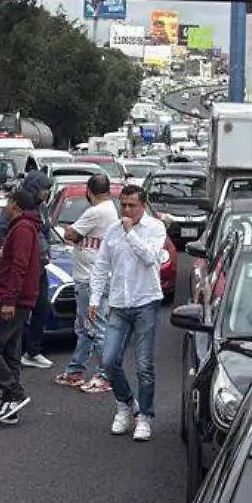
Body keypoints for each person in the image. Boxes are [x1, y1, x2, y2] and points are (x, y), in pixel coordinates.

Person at [88, 184, 167, 442]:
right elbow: (101, 266)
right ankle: (125, 404)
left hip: (146, 301)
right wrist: (94, 299)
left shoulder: (155, 228)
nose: (127, 210)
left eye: (132, 205)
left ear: (143, 206)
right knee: (109, 360)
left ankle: (145, 416)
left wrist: (130, 232)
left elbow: (150, 257)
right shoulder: (112, 230)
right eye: (123, 205)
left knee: (144, 365)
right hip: (119, 303)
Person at [0, 190, 41, 425]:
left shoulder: (22, 228)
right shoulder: (25, 227)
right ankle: (10, 406)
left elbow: (19, 265)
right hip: (18, 299)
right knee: (10, 351)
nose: (5, 206)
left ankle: (14, 392)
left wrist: (9, 299)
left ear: (15, 205)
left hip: (13, 299)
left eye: (8, 202)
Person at [54, 174, 117, 394]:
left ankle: (106, 375)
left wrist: (74, 234)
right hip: (95, 276)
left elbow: (70, 233)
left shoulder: (95, 211)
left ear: (89, 191)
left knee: (96, 328)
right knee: (85, 328)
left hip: (90, 279)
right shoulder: (110, 209)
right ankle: (75, 371)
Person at [0, 170, 54, 369]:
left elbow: (45, 230)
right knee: (18, 311)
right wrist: (5, 251)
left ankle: (32, 351)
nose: (46, 193)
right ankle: (9, 354)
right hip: (25, 268)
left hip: (40, 267)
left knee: (42, 306)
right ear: (34, 188)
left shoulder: (41, 208)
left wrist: (47, 249)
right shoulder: (19, 208)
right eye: (44, 189)